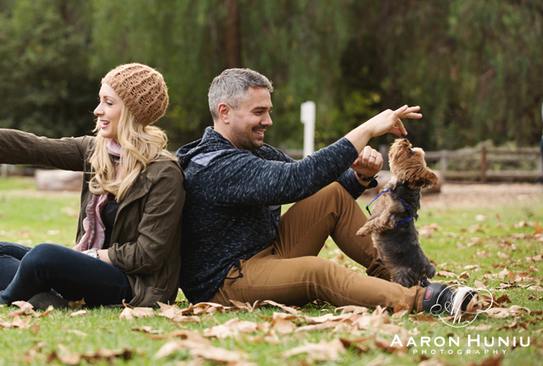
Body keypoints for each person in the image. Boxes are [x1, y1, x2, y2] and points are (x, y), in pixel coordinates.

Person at [176, 68, 473, 317]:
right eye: (259, 112)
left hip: (266, 253)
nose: (267, 120)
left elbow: (314, 184)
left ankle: (401, 277)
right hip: (227, 281)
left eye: (268, 111)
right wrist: (366, 130)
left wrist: (360, 176)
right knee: (317, 272)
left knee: (331, 194)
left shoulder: (252, 151)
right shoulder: (214, 165)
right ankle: (421, 300)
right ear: (225, 112)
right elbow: (297, 180)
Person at [0, 63, 185, 309]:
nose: (97, 110)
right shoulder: (97, 150)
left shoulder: (163, 173)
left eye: (108, 103)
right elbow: (33, 147)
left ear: (131, 111)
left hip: (134, 284)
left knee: (44, 256)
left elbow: (147, 255)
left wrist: (89, 257)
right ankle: (48, 298)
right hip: (92, 266)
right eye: (99, 100)